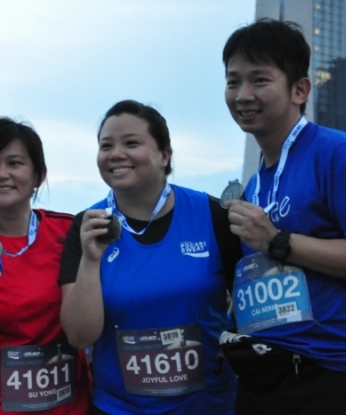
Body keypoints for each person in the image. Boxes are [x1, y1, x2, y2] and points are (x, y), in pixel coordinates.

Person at [222, 18, 346, 415]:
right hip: (263, 375)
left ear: (300, 89)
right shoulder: (254, 185)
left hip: (333, 375)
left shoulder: (337, 153)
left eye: (259, 80)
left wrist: (277, 241)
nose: (243, 94)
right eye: (233, 82)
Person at [59, 100, 241, 414]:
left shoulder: (212, 214)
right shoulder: (87, 226)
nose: (116, 154)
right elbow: (79, 336)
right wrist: (90, 261)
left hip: (210, 406)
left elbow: (251, 302)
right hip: (119, 408)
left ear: (164, 155)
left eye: (131, 143)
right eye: (106, 146)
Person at [0, 117, 91, 414]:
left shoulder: (70, 234)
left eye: (14, 163)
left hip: (68, 406)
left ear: (39, 175)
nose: (1, 174)